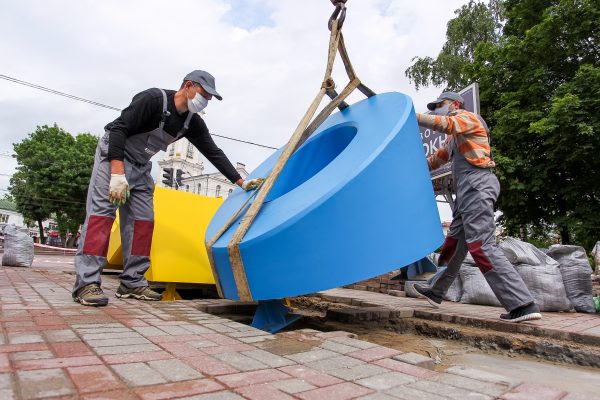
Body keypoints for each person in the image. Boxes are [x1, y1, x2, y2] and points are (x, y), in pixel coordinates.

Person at [73, 70, 262, 306]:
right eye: (204, 94)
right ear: (188, 85)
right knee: (102, 216)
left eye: (210, 99)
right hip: (114, 156)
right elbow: (118, 129)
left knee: (143, 222)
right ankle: (87, 284)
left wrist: (241, 182)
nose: (206, 101)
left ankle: (132, 282)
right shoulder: (153, 100)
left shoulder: (192, 123)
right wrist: (117, 173)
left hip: (141, 166)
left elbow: (213, 152)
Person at [414, 92, 542, 323]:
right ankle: (436, 290)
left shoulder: (468, 118)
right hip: (466, 193)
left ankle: (522, 303)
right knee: (453, 243)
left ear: (454, 104)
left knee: (481, 245)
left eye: (439, 105)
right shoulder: (454, 138)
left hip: (478, 186)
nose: (437, 110)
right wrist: (410, 168)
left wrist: (413, 117)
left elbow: (446, 123)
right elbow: (436, 161)